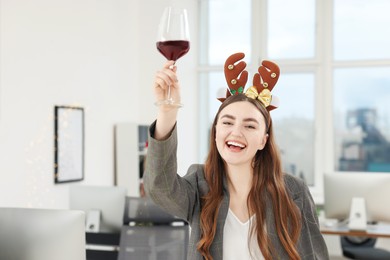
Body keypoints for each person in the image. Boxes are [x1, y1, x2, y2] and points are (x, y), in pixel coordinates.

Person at [144, 53, 329, 260]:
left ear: (263, 140)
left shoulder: (293, 191)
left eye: (250, 125)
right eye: (227, 122)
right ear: (215, 133)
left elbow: (315, 255)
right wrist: (167, 111)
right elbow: (159, 186)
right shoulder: (200, 183)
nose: (236, 132)